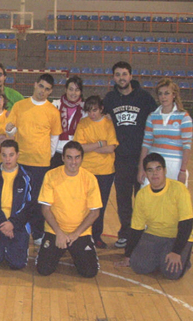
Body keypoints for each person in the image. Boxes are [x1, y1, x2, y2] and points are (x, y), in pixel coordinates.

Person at [103, 61, 157, 248]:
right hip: (121, 159)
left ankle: (143, 233)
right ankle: (126, 232)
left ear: (131, 75)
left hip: (142, 157)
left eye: (124, 74)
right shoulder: (110, 99)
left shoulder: (144, 98)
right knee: (123, 199)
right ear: (114, 77)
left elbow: (155, 122)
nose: (121, 78)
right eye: (117, 75)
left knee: (143, 198)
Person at [115, 153, 193, 280]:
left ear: (165, 171)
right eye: (150, 170)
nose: (154, 174)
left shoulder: (179, 189)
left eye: (158, 169)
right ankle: (162, 256)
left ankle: (183, 258)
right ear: (145, 173)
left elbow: (187, 223)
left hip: (177, 236)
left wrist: (177, 252)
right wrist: (128, 255)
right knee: (137, 266)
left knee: (171, 273)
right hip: (154, 235)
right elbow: (137, 229)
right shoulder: (142, 195)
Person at [6, 73, 62, 245]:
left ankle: (38, 233)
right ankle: (17, 229)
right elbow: (11, 131)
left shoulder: (52, 111)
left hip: (41, 163)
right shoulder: (19, 106)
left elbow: (54, 137)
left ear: (50, 91)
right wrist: (9, 131)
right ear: (35, 85)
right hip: (21, 161)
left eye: (47, 89)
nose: (42, 91)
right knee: (18, 198)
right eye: (41, 86)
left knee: (38, 200)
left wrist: (48, 155)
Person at [36, 141, 102, 278]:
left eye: (77, 157)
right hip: (55, 231)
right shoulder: (51, 176)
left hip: (80, 233)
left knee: (89, 272)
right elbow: (46, 209)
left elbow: (95, 212)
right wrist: (59, 233)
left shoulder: (90, 179)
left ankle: (76, 250)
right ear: (63, 158)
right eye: (69, 157)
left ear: (82, 158)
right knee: (43, 270)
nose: (73, 162)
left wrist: (76, 234)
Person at [0, 140, 33, 270]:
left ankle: (11, 247)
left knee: (17, 264)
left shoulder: (27, 177)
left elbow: (29, 206)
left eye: (11, 155)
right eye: (4, 155)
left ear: (18, 155)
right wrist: (3, 223)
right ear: (0, 155)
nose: (7, 159)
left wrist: (13, 223)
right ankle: (1, 246)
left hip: (17, 224)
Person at [73, 95, 119, 249]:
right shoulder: (83, 123)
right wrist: (100, 144)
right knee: (83, 205)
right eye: (89, 111)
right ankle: (82, 234)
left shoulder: (108, 124)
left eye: (94, 110)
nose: (92, 114)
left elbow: (111, 147)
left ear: (101, 109)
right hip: (86, 170)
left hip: (105, 172)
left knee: (99, 206)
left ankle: (96, 236)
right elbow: (80, 147)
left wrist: (91, 147)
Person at [137, 78, 192, 186]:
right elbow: (146, 144)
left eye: (167, 93)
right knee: (150, 200)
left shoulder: (184, 117)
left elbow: (187, 147)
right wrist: (141, 168)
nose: (163, 97)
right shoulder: (152, 117)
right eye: (160, 94)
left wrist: (182, 171)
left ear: (174, 95)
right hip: (154, 165)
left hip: (175, 165)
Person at [51, 76, 85, 168]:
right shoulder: (55, 105)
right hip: (56, 153)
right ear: (66, 89)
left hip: (75, 155)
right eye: (71, 89)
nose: (73, 93)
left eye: (77, 90)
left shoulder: (85, 109)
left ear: (81, 92)